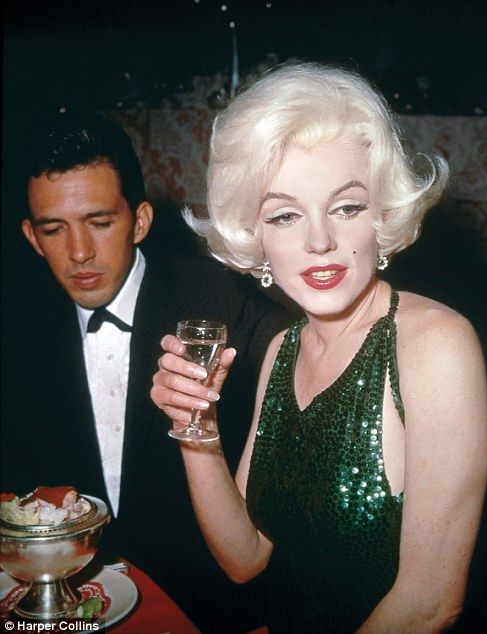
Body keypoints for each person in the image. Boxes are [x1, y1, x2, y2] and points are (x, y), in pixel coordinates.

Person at [151, 62, 487, 632]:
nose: (319, 241)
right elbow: (244, 558)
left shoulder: (437, 345)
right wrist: (195, 427)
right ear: (255, 235)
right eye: (285, 215)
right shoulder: (282, 349)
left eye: (346, 207)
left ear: (383, 214)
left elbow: (430, 602)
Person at [1, 112, 288, 632]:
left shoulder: (227, 305)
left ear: (140, 221)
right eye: (54, 229)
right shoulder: (15, 324)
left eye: (100, 222)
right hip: (61, 605)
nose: (79, 253)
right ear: (32, 236)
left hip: (206, 610)